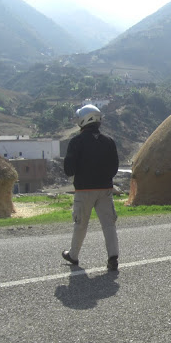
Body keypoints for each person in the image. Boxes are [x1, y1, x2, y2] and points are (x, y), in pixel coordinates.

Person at [62, 104, 120, 271]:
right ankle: (113, 257)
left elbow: (69, 169)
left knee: (80, 224)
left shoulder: (76, 141)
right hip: (105, 190)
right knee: (109, 224)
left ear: (83, 120)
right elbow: (114, 168)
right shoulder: (109, 141)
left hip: (84, 190)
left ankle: (73, 255)